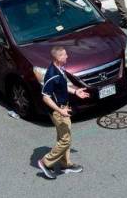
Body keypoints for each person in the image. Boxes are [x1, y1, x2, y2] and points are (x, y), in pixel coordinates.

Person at [36, 46, 90, 180]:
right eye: (65, 55)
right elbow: (45, 96)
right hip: (59, 111)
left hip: (63, 108)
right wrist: (60, 110)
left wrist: (76, 91)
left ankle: (65, 164)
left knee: (63, 138)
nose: (67, 57)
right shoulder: (52, 74)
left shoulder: (59, 70)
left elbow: (62, 85)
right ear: (58, 58)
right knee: (66, 140)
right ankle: (45, 162)